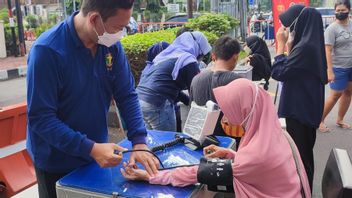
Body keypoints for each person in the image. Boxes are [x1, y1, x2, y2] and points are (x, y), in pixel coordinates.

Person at [26, 1, 159, 197]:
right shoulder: (48, 51)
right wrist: (91, 148)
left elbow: (126, 94)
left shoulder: (109, 46)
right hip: (56, 161)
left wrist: (139, 141)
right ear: (94, 19)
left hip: (96, 155)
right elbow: (41, 118)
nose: (121, 34)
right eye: (118, 27)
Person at [121, 79, 311, 198]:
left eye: (230, 112)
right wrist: (231, 154)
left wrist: (150, 176)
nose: (226, 119)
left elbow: (196, 173)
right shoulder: (276, 133)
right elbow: (264, 168)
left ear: (245, 112)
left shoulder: (255, 156)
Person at [271, 5, 328, 190]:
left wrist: (280, 45)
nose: (286, 30)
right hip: (306, 108)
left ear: (300, 23)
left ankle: (303, 192)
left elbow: (279, 72)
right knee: (303, 156)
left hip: (300, 111)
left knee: (300, 160)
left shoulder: (305, 48)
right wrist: (289, 47)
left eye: (288, 26)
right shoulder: (310, 45)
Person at [136, 31, 211, 132]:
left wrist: (187, 101)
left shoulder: (166, 56)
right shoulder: (188, 60)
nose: (201, 58)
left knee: (151, 141)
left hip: (139, 102)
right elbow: (196, 90)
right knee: (166, 142)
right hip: (157, 103)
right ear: (197, 48)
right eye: (201, 54)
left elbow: (168, 87)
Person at [190, 36, 242, 137]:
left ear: (213, 57)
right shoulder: (238, 81)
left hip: (203, 138)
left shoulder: (195, 79)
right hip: (231, 140)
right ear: (235, 58)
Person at [319, 0, 352, 132]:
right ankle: (319, 120)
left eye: (342, 10)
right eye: (337, 11)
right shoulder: (332, 29)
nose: (339, 13)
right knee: (335, 95)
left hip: (351, 66)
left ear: (349, 10)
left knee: (348, 93)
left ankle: (340, 119)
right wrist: (329, 70)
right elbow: (327, 50)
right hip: (338, 67)